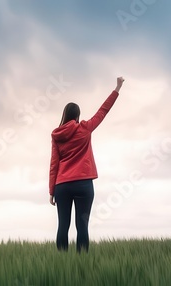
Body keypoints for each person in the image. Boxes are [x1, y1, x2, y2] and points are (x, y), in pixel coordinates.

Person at [49, 76, 125, 253]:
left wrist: (52, 191)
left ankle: (61, 265)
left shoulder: (56, 135)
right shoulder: (85, 128)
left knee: (63, 226)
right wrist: (117, 88)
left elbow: (54, 164)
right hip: (83, 184)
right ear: (77, 116)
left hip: (62, 185)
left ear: (64, 115)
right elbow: (103, 111)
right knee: (82, 226)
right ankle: (82, 266)